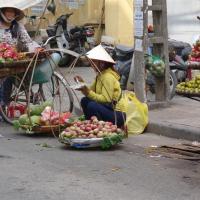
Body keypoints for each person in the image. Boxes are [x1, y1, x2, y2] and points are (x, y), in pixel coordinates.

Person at [0, 6, 60, 108]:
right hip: (2, 57)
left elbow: (28, 42)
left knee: (10, 75)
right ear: (2, 13)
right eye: (8, 12)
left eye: (12, 12)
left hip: (13, 58)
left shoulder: (18, 26)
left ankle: (3, 104)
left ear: (15, 14)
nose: (10, 14)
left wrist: (36, 48)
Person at [74, 45, 127, 127]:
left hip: (117, 115)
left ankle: (98, 126)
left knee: (92, 106)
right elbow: (91, 91)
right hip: (108, 109)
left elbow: (106, 99)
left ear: (101, 63)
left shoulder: (107, 77)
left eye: (94, 62)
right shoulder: (100, 75)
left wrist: (87, 92)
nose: (92, 65)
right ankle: (91, 125)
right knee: (85, 100)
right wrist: (82, 84)